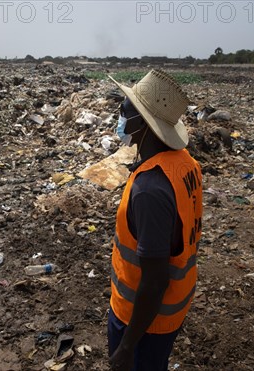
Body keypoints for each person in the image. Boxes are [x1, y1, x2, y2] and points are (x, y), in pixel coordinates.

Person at [107, 69, 203, 371]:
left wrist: (126, 347)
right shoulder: (185, 163)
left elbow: (154, 280)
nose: (120, 115)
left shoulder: (150, 190)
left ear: (144, 123)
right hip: (171, 308)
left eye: (125, 109)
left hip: (143, 321)